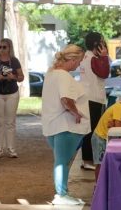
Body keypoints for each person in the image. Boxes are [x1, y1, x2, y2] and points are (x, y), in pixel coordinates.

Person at [41, 45, 90, 205]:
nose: (78, 65)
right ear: (73, 59)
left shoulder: (51, 74)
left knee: (60, 160)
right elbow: (66, 99)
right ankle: (62, 194)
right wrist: (76, 112)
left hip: (52, 124)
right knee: (62, 161)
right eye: (79, 61)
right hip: (65, 126)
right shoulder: (63, 76)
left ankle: (62, 193)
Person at [0, 38, 24, 158]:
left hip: (12, 93)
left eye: (4, 47)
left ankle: (11, 148)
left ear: (9, 48)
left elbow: (21, 77)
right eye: (0, 47)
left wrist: (14, 77)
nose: (1, 49)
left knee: (10, 121)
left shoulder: (15, 61)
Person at [79, 32, 110, 170]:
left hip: (89, 96)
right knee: (93, 130)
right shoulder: (93, 59)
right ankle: (89, 159)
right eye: (102, 42)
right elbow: (104, 73)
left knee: (89, 129)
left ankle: (87, 159)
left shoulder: (87, 56)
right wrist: (105, 57)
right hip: (94, 98)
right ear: (96, 44)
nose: (104, 45)